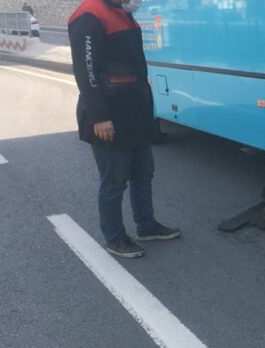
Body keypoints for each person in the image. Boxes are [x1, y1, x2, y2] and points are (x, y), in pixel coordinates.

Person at [68, 0, 180, 258]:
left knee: (143, 173)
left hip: (135, 113)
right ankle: (115, 237)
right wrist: (100, 117)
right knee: (114, 181)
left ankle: (146, 225)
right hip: (111, 114)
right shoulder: (89, 15)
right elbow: (86, 71)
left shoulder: (121, 11)